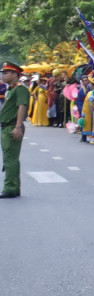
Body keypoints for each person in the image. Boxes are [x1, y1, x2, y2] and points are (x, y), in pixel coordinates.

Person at [1, 62, 26, 198]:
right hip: (7, 126)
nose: (3, 76)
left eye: (6, 73)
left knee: (10, 159)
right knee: (10, 159)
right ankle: (14, 187)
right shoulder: (11, 89)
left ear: (15, 74)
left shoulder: (20, 89)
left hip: (12, 127)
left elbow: (21, 106)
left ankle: (10, 187)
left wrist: (17, 126)